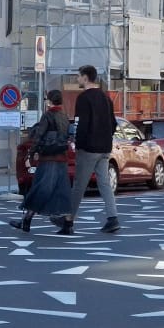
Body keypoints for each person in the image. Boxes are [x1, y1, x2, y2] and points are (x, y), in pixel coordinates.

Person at [10, 90, 73, 234]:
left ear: (49, 101)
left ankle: (26, 220)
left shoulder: (48, 116)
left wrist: (31, 155)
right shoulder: (64, 116)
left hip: (48, 159)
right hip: (62, 159)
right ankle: (68, 223)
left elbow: (39, 137)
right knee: (62, 191)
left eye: (46, 99)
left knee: (40, 189)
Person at [68, 65, 120, 234]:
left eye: (78, 76)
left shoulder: (83, 98)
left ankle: (68, 220)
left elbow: (80, 124)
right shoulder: (106, 98)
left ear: (85, 77)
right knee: (104, 183)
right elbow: (113, 123)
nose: (77, 79)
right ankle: (113, 218)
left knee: (79, 185)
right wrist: (106, 139)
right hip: (105, 148)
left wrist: (78, 144)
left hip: (88, 148)